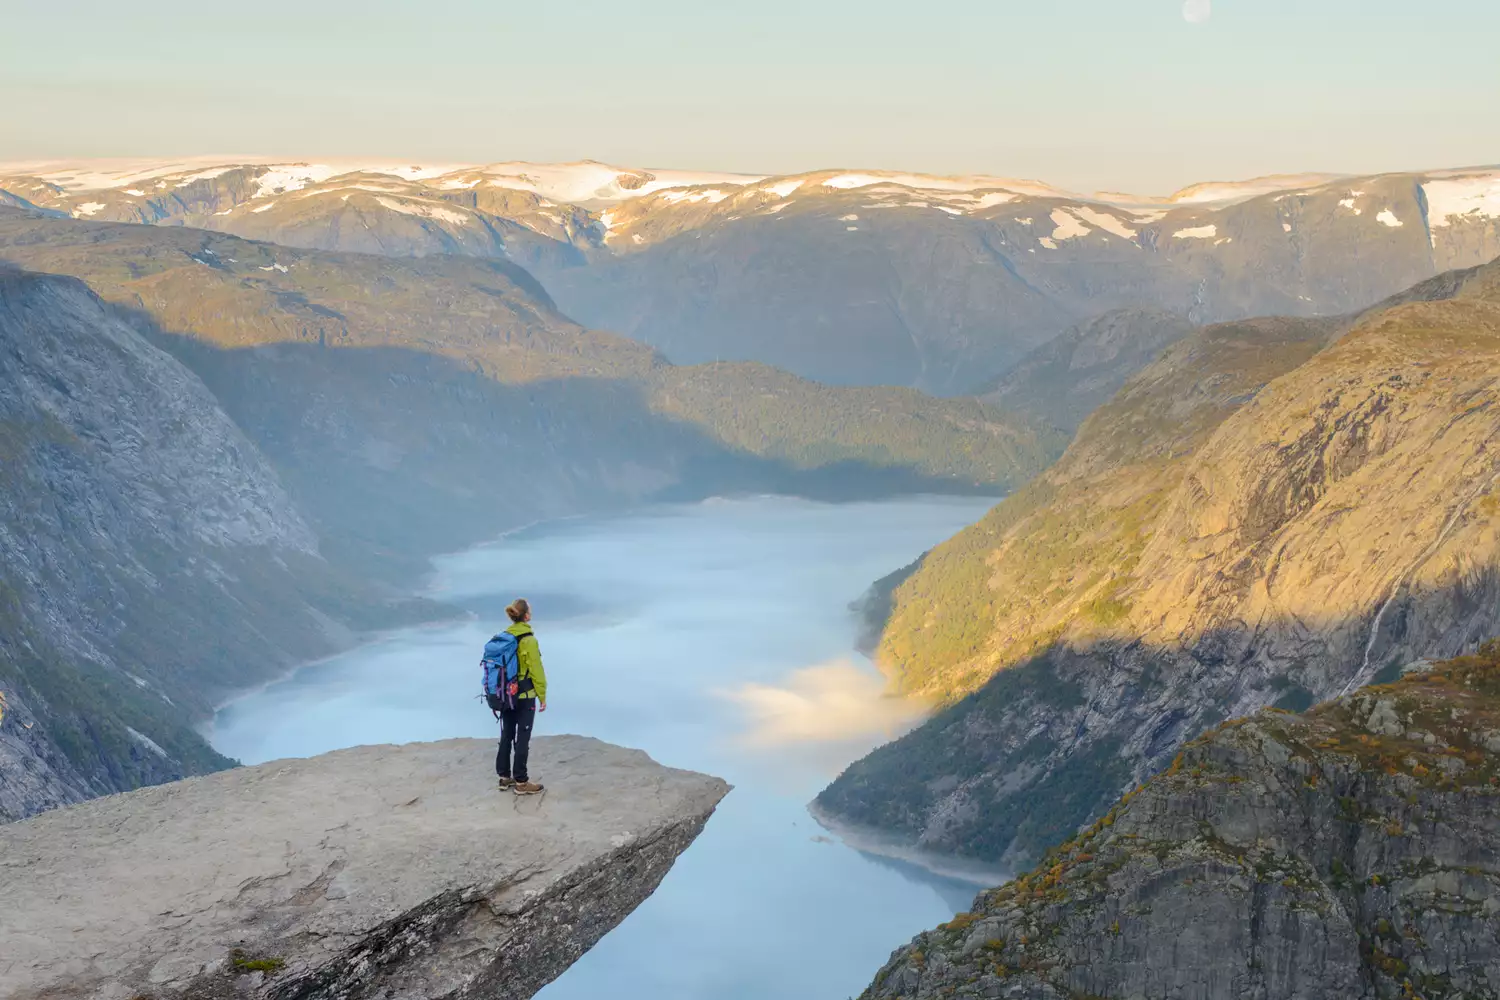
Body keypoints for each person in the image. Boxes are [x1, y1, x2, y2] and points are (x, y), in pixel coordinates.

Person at [496, 598, 547, 795]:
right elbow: (536, 670)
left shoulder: (505, 637)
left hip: (506, 694)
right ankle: (521, 781)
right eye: (530, 611)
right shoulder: (529, 640)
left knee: (507, 734)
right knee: (522, 737)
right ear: (525, 616)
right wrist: (542, 695)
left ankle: (504, 777)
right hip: (525, 695)